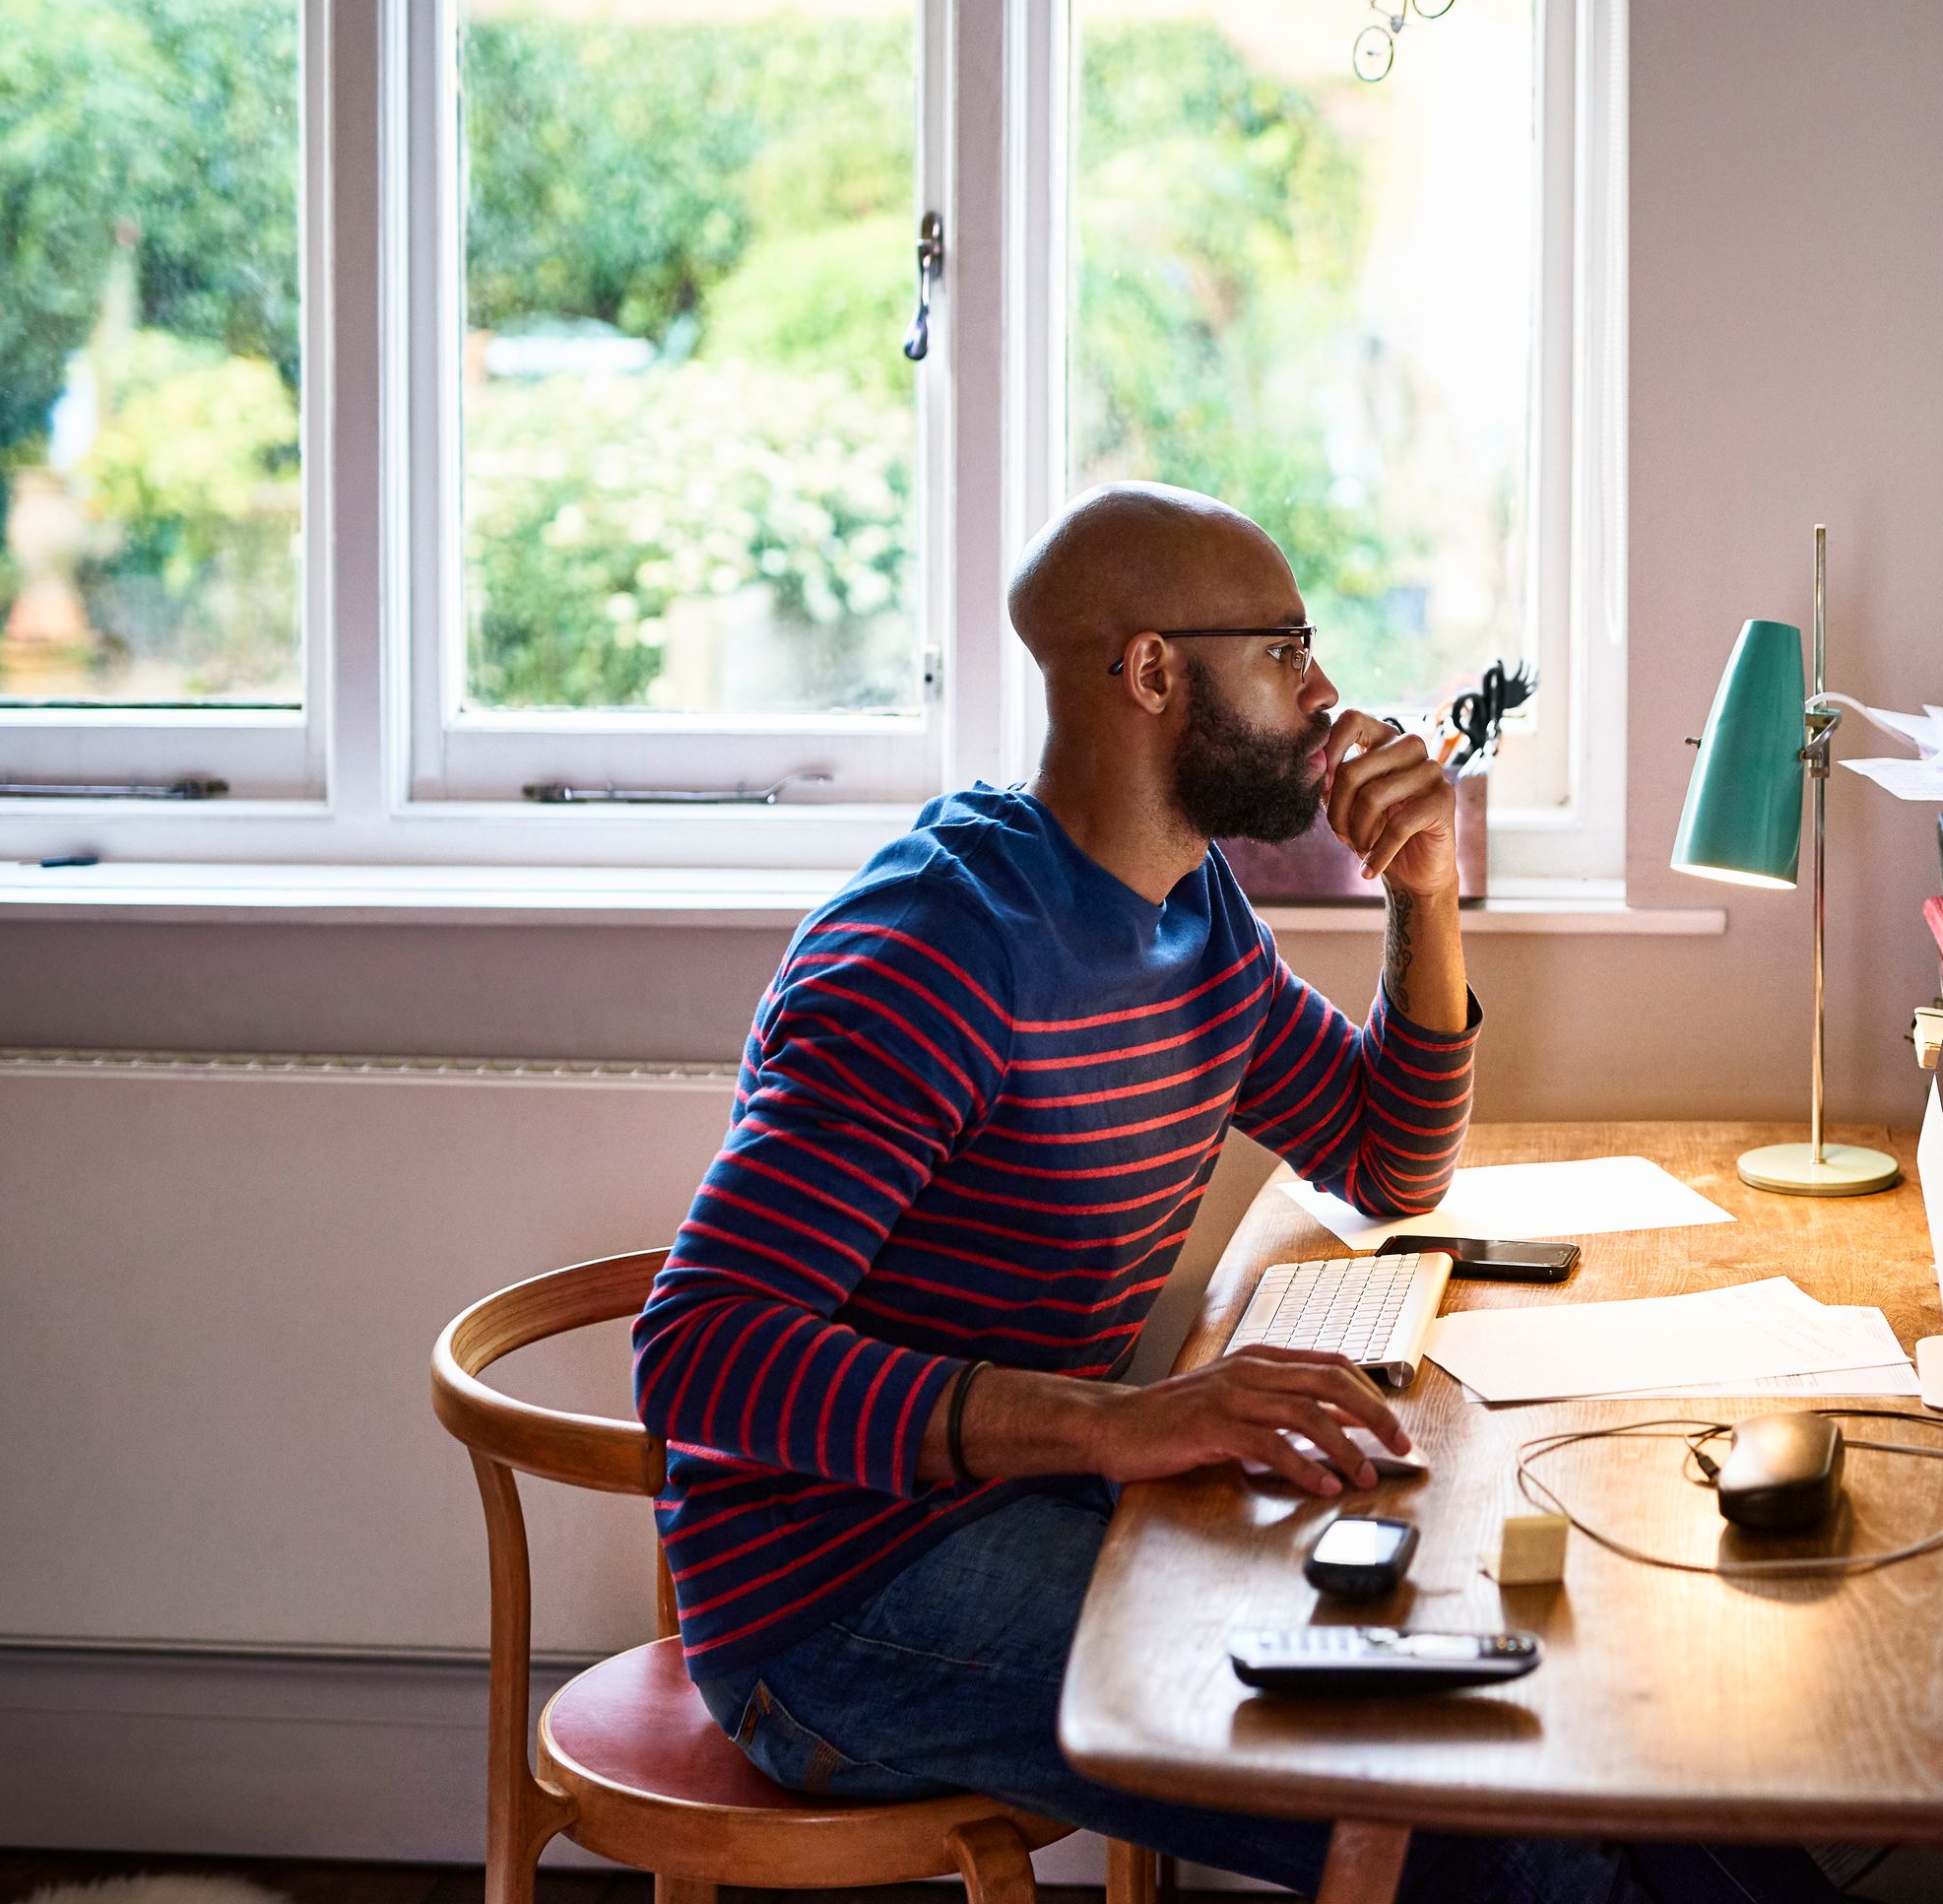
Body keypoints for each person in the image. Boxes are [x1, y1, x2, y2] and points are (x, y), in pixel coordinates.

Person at [630, 486, 1841, 1904]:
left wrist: (1425, 890)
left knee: (1597, 1712)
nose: (1326, 694)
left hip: (1036, 1503)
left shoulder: (1190, 913)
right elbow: (694, 1355)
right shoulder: (933, 956)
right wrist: (1119, 1421)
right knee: (1497, 1820)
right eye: (1283, 650)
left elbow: (1387, 1163)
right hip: (837, 1604)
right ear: (1149, 672)